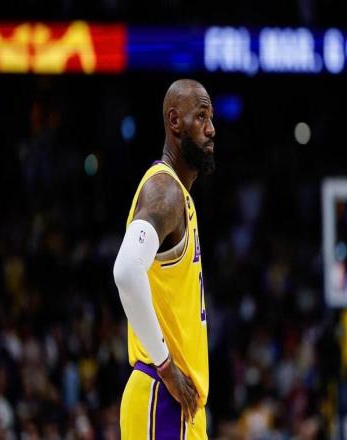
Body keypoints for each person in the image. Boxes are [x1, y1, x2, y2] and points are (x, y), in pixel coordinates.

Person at [113, 79, 215, 439]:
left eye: (211, 118)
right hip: (162, 398)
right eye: (200, 116)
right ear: (174, 122)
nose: (211, 129)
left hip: (177, 404)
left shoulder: (179, 196)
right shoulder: (164, 190)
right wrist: (167, 366)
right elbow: (126, 271)